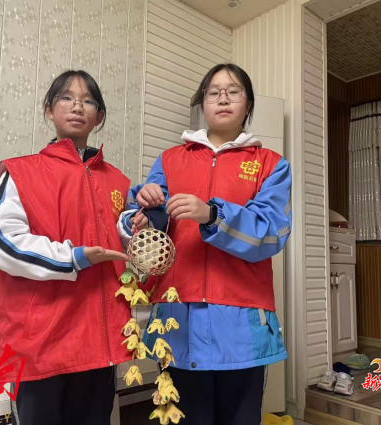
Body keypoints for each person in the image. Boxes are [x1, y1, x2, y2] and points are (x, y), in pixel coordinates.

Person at [119, 63, 292, 425]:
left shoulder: (272, 165)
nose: (223, 99)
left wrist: (212, 215)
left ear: (248, 104)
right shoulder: (170, 159)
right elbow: (150, 224)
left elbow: (271, 233)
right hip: (178, 320)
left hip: (242, 322)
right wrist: (144, 210)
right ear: (202, 103)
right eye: (214, 92)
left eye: (233, 91)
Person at [0, 70, 140, 425]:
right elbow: (2, 239)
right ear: (49, 109)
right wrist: (73, 257)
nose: (77, 106)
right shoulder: (21, 172)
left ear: (99, 117)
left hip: (100, 345)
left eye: (88, 101)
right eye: (67, 98)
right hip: (39, 347)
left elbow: (122, 243)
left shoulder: (118, 181)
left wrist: (136, 225)